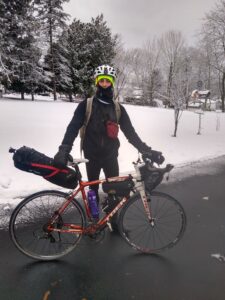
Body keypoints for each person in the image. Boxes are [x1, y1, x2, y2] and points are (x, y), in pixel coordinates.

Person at [53, 64, 164, 212]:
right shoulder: (86, 106)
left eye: (108, 80)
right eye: (102, 80)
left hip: (110, 156)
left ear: (112, 82)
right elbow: (72, 128)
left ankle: (114, 220)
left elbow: (130, 133)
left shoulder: (118, 108)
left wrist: (146, 150)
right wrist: (64, 149)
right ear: (97, 81)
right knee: (92, 189)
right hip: (90, 156)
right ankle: (93, 219)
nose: (104, 84)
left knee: (115, 190)